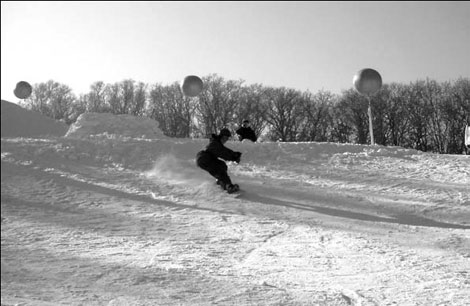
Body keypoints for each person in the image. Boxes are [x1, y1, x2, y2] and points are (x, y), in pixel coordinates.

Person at [196, 128, 242, 193]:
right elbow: (223, 153)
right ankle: (228, 185)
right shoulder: (215, 143)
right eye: (225, 138)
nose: (226, 140)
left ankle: (222, 182)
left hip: (203, 159)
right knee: (220, 167)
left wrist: (234, 155)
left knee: (221, 166)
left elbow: (223, 150)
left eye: (227, 139)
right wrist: (234, 156)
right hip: (204, 158)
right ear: (222, 136)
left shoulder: (216, 142)